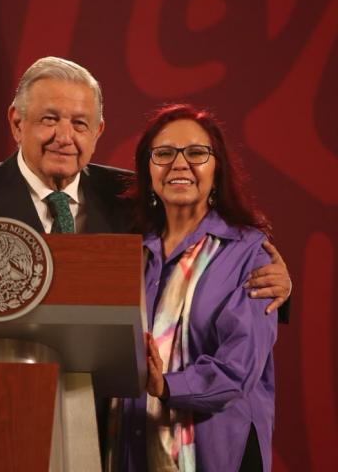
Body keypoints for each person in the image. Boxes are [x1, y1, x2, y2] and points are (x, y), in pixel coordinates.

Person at [0, 57, 289, 466]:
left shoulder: (128, 198)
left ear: (98, 132)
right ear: (16, 122)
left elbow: (202, 264)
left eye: (79, 123)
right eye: (49, 119)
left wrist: (281, 289)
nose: (64, 136)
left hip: (103, 429)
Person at [111, 104, 278, 471]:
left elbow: (240, 369)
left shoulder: (249, 252)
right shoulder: (130, 253)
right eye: (164, 153)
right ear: (148, 170)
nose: (179, 164)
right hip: (133, 446)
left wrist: (166, 385)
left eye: (197, 153)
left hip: (217, 452)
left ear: (217, 169)